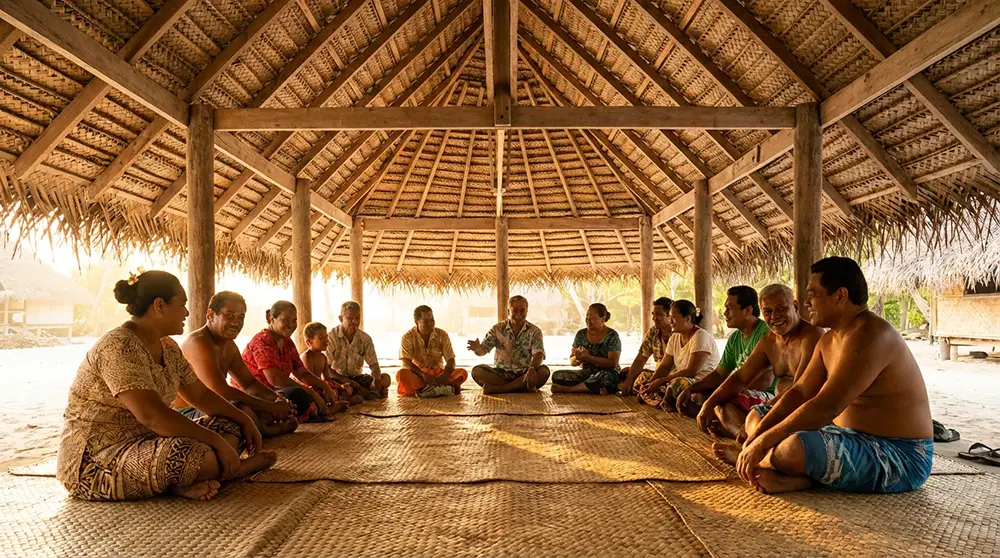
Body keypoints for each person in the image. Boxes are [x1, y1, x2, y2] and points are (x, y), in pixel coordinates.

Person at [56, 271, 275, 502]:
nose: (187, 312)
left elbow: (199, 394)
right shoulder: (118, 347)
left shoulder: (168, 347)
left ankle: (187, 480)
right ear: (159, 305)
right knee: (194, 456)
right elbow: (153, 417)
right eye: (182, 305)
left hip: (150, 442)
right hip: (97, 463)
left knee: (231, 422)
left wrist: (244, 420)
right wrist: (217, 442)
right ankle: (234, 470)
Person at [733, 257, 933, 494]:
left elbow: (826, 406)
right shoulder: (829, 339)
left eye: (813, 294)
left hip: (899, 454)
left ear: (840, 296)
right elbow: (800, 392)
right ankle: (782, 467)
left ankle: (785, 471)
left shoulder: (872, 333)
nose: (807, 303)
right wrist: (756, 436)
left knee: (795, 448)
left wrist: (760, 444)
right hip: (843, 435)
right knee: (758, 416)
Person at [693, 284, 823, 440]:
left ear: (795, 306)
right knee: (721, 404)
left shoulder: (812, 336)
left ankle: (750, 436)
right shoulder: (769, 341)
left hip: (801, 410)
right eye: (768, 312)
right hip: (773, 407)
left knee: (788, 440)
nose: (774, 316)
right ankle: (745, 436)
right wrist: (709, 403)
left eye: (781, 309)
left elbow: (801, 391)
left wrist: (762, 414)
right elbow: (740, 377)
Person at [173, 291, 298, 438]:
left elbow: (250, 384)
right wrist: (268, 406)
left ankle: (258, 426)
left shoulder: (229, 346)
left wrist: (277, 401)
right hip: (189, 411)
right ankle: (266, 431)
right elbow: (220, 391)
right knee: (241, 409)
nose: (236, 322)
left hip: (218, 405)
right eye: (229, 316)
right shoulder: (198, 342)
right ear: (211, 314)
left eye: (241, 317)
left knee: (280, 403)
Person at [673, 286, 772, 416]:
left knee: (723, 401)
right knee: (699, 395)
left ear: (747, 310)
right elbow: (719, 374)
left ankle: (726, 423)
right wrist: (691, 388)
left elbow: (764, 381)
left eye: (729, 308)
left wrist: (724, 393)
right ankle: (718, 418)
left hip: (764, 394)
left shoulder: (765, 334)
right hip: (742, 391)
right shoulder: (735, 338)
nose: (725, 313)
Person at [242, 301, 345, 421]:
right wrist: (311, 393)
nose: (291, 325)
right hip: (260, 394)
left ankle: (317, 410)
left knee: (317, 390)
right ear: (271, 318)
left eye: (294, 320)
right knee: (298, 395)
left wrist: (324, 386)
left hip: (279, 391)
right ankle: (320, 411)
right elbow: (275, 379)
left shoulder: (287, 342)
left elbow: (301, 372)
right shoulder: (262, 341)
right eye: (286, 320)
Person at [637, 300, 719, 409]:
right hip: (681, 378)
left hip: (699, 382)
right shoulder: (675, 336)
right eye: (669, 317)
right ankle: (666, 399)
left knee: (677, 384)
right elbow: (665, 366)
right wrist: (652, 382)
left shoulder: (700, 337)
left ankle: (669, 400)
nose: (670, 320)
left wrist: (661, 381)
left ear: (687, 318)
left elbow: (691, 371)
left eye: (673, 317)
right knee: (643, 380)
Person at [468, 295, 549, 394]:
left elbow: (538, 354)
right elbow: (482, 351)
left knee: (544, 371)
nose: (518, 313)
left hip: (524, 373)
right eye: (515, 310)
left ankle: (501, 389)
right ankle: (521, 387)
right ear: (508, 311)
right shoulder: (497, 329)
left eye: (522, 310)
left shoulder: (535, 331)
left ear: (527, 312)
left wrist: (532, 369)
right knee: (477, 371)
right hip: (501, 374)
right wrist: (477, 349)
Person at [397, 305, 468, 397]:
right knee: (401, 374)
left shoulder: (442, 335)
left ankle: (424, 390)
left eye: (432, 320)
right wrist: (423, 375)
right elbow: (406, 362)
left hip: (439, 375)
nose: (430, 323)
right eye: (426, 321)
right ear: (416, 322)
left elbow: (451, 360)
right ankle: (443, 388)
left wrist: (445, 375)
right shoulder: (407, 337)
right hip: (419, 375)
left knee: (462, 373)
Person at [551, 303, 622, 395]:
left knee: (607, 377)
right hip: (587, 374)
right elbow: (572, 361)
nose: (588, 320)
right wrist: (577, 359)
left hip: (606, 373)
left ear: (603, 319)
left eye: (592, 317)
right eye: (587, 316)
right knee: (557, 376)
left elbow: (613, 363)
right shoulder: (581, 334)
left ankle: (569, 390)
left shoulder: (612, 335)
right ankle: (594, 388)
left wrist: (589, 358)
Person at [326, 301, 390, 399]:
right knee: (337, 389)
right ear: (340, 318)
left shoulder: (365, 339)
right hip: (338, 379)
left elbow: (374, 366)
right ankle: (363, 394)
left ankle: (361, 393)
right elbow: (327, 369)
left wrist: (376, 380)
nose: (355, 321)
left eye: (357, 318)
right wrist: (345, 381)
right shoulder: (331, 337)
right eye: (350, 318)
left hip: (357, 379)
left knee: (385, 379)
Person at [300, 321, 364, 406]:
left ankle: (341, 401)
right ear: (309, 342)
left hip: (322, 386)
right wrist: (325, 388)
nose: (326, 340)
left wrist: (340, 386)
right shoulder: (307, 357)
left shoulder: (323, 357)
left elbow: (327, 378)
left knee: (343, 389)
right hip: (312, 389)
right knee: (318, 395)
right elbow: (308, 382)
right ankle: (336, 404)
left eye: (326, 337)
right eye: (321, 338)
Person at [621, 297, 673, 396]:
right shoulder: (653, 332)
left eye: (659, 314)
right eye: (653, 314)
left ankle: (653, 394)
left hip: (674, 376)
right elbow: (641, 358)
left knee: (672, 386)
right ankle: (649, 393)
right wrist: (629, 380)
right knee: (627, 374)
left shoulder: (678, 333)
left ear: (670, 316)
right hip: (657, 375)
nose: (654, 318)